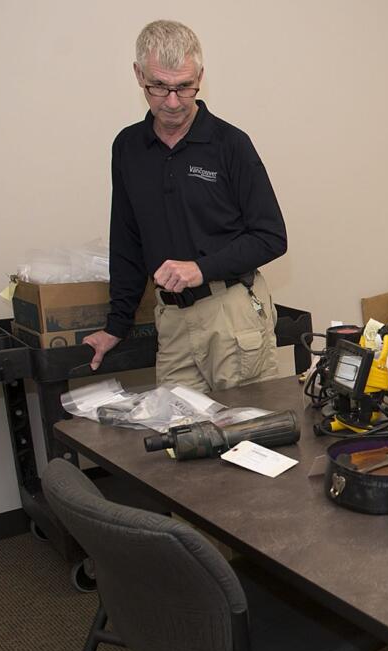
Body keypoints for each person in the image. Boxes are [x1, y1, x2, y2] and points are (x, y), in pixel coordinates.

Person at [83, 20, 286, 392]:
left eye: (184, 87)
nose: (173, 102)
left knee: (247, 437)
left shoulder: (230, 144)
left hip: (231, 314)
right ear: (138, 75)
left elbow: (271, 237)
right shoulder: (128, 147)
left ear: (200, 77)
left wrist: (200, 268)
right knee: (180, 437)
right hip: (172, 322)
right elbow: (127, 240)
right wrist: (116, 325)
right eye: (158, 87)